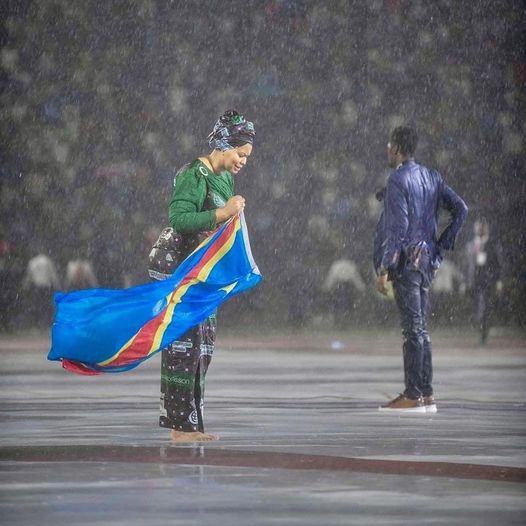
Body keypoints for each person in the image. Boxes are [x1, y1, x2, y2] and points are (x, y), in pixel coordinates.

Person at [149, 110, 255, 442]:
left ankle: (191, 424)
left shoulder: (224, 178)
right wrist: (222, 213)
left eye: (247, 156)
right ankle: (179, 428)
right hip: (177, 266)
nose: (242, 161)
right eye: (240, 153)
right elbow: (179, 219)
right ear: (224, 144)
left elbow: (216, 224)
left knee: (203, 345)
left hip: (201, 271)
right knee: (184, 344)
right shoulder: (192, 174)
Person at [374, 126, 468, 413]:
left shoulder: (398, 179)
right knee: (421, 328)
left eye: (390, 144)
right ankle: (426, 393)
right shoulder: (431, 176)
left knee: (412, 330)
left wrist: (387, 267)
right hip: (426, 262)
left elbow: (399, 228)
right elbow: (461, 209)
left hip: (406, 262)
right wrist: (441, 245)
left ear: (397, 148)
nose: (388, 149)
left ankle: (413, 394)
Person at [464, 218, 503, 345]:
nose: (479, 229)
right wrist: (465, 281)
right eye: (477, 227)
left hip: (487, 282)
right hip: (474, 282)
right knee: (478, 308)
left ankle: (483, 336)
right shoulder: (471, 245)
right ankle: (480, 331)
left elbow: (498, 264)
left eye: (482, 227)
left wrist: (498, 281)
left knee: (485, 308)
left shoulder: (492, 244)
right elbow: (467, 265)